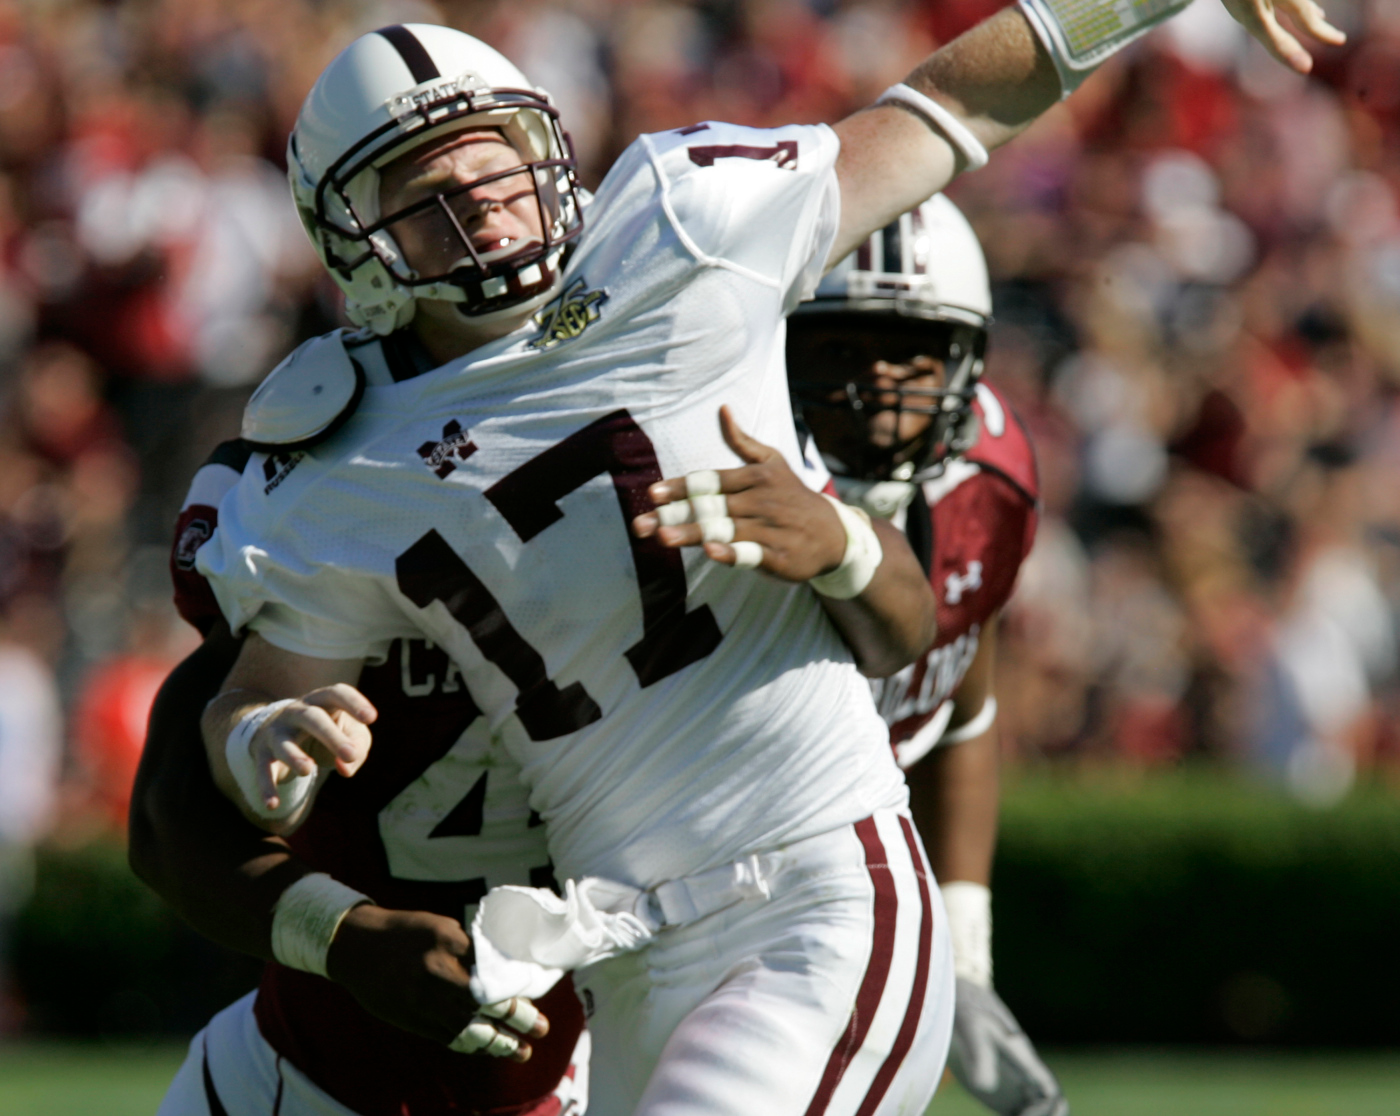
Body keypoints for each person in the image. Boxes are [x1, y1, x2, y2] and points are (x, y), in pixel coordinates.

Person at [170, 4, 1339, 1115]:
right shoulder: (332, 465)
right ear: (350, 240)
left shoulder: (682, 223)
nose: (482, 211)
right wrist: (264, 738)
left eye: (493, 166)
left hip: (809, 888)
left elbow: (946, 107)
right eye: (425, 197)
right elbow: (242, 720)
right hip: (623, 945)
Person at [132, 434, 589, 1115]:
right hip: (305, 1077)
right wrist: (344, 935)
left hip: (582, 1070)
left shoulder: (620, 569)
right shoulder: (318, 534)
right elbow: (165, 827)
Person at [787, 197, 1059, 1116]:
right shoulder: (718, 484)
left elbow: (959, 707)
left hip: (857, 882)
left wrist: (966, 950)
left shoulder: (993, 483)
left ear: (967, 362)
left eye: (913, 351)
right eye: (840, 347)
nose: (877, 384)